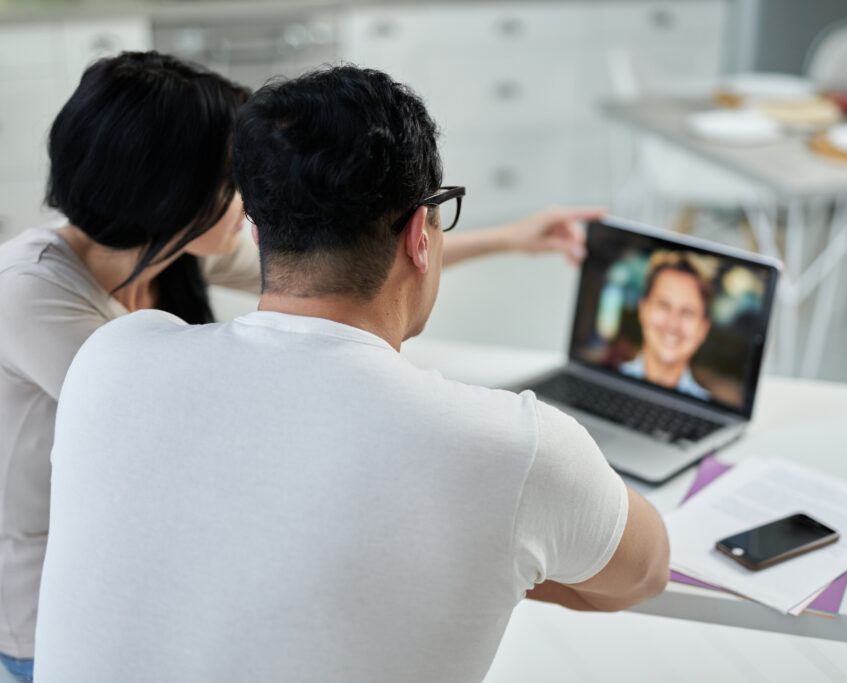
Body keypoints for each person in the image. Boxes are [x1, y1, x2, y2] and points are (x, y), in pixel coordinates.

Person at [32, 64, 669, 682]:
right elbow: (646, 571)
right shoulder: (514, 448)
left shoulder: (112, 358)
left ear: (256, 231)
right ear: (421, 234)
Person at [620, 250, 714, 400]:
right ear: (643, 310)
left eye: (687, 312)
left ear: (703, 329)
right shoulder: (605, 378)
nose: (673, 323)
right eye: (663, 305)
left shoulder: (712, 409)